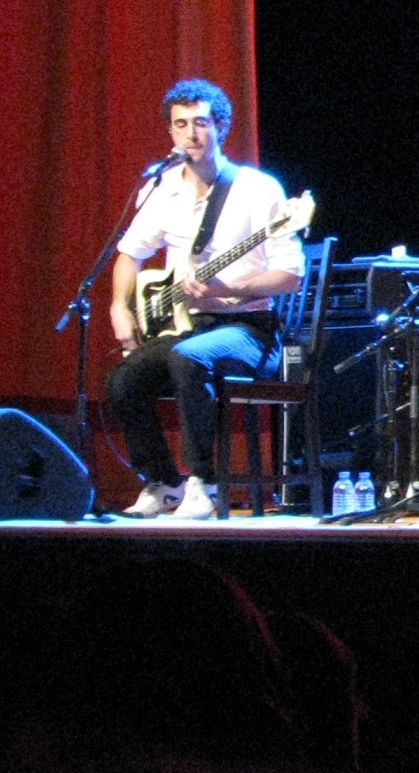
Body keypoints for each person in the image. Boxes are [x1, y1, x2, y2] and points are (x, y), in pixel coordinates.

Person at [107, 79, 303, 520]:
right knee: (124, 379)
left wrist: (225, 290)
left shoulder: (258, 189)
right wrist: (120, 307)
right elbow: (128, 254)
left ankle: (204, 482)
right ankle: (164, 482)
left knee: (189, 358)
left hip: (249, 330)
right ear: (170, 132)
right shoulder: (163, 189)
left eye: (200, 123)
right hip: (187, 327)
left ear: (221, 127)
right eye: (180, 125)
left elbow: (290, 276)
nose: (190, 134)